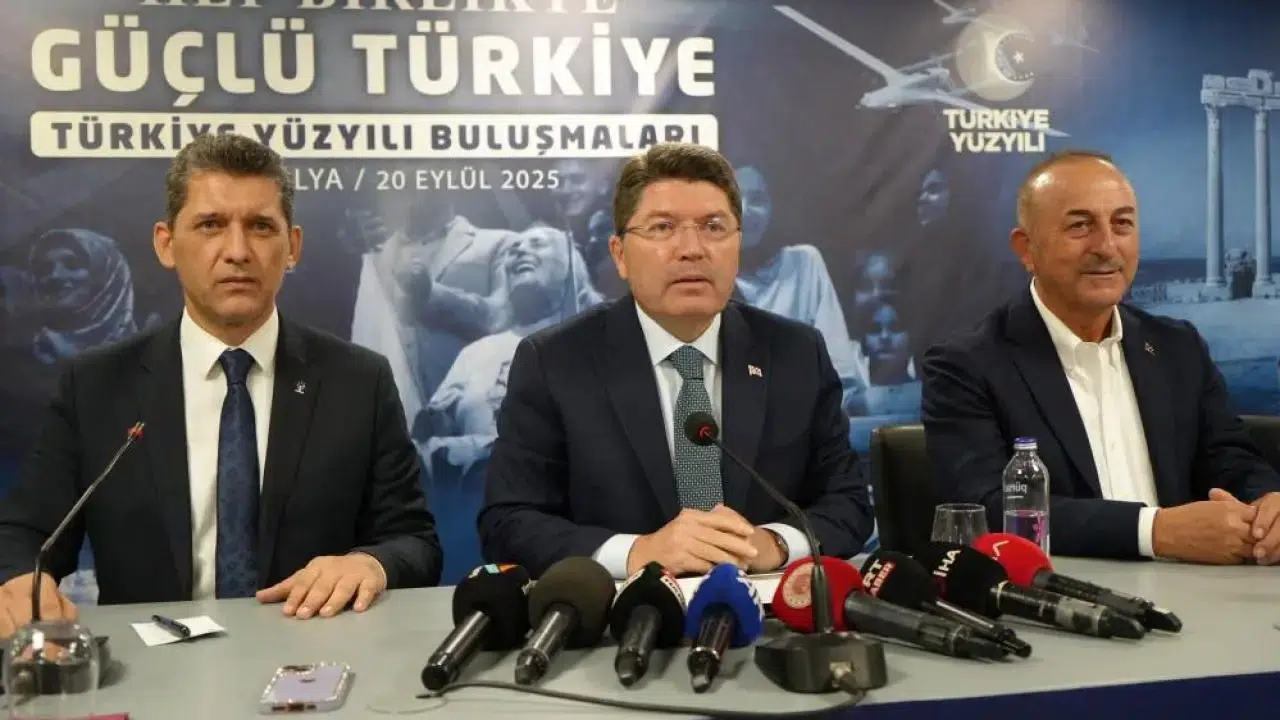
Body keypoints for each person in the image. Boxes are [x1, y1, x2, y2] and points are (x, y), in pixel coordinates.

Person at [0, 133, 442, 636]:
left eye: (260, 226)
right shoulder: (96, 387)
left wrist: (371, 564)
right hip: (152, 666)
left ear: (293, 246)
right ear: (166, 244)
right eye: (210, 225)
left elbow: (414, 542)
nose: (237, 251)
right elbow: (25, 534)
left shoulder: (358, 381)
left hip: (314, 655)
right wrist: (20, 581)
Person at [479, 142, 875, 579]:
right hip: (623, 612)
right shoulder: (555, 362)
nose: (692, 249)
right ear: (619, 254)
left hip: (766, 611)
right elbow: (509, 522)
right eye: (663, 227)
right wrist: (638, 552)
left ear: (738, 245)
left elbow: (849, 503)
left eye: (713, 227)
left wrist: (773, 544)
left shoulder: (795, 354)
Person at [921, 150, 1280, 564]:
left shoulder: (1178, 348)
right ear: (1026, 249)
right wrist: (1153, 531)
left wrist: (1267, 502)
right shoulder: (966, 365)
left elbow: (1231, 459)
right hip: (1057, 593)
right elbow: (987, 508)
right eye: (1080, 226)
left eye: (1122, 224)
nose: (1107, 246)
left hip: (1196, 589)